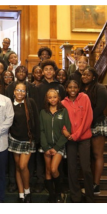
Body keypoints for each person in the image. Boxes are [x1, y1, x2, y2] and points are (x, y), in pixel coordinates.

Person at [34, 59, 66, 193]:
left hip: (58, 126)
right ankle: (43, 183)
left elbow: (63, 106)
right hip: (44, 124)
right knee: (43, 161)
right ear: (42, 72)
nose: (48, 72)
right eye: (45, 70)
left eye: (50, 69)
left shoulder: (60, 86)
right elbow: (36, 107)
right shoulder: (39, 87)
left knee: (58, 165)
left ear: (54, 71)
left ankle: (60, 187)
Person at [81, 68, 107, 195]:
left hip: (97, 122)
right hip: (85, 124)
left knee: (97, 154)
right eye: (83, 74)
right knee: (89, 156)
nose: (85, 76)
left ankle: (96, 185)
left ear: (94, 77)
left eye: (88, 75)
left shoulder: (100, 88)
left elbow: (100, 107)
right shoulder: (82, 89)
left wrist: (88, 120)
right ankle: (91, 182)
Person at [62, 80, 94, 203]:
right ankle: (76, 197)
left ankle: (90, 197)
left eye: (75, 87)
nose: (73, 89)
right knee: (72, 168)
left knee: (86, 168)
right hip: (70, 140)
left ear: (79, 88)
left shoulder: (85, 98)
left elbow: (88, 118)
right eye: (70, 87)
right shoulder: (63, 103)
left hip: (83, 138)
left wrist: (76, 135)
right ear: (66, 88)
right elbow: (62, 120)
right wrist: (65, 131)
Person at [8, 83, 39, 203]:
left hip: (28, 140)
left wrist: (37, 139)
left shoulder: (30, 103)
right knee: (17, 167)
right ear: (14, 91)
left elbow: (36, 120)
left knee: (22, 166)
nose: (20, 93)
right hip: (14, 139)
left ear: (26, 93)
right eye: (18, 90)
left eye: (23, 91)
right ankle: (21, 194)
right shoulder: (9, 104)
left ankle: (27, 191)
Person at [39, 89, 71, 203]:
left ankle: (58, 192)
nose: (52, 99)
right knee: (48, 170)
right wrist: (46, 147)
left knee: (53, 169)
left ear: (58, 98)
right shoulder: (43, 112)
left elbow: (68, 130)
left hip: (58, 146)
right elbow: (41, 130)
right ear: (47, 99)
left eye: (54, 97)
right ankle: (52, 195)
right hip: (46, 146)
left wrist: (56, 147)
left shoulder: (63, 111)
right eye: (50, 97)